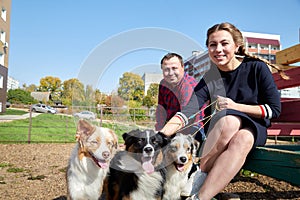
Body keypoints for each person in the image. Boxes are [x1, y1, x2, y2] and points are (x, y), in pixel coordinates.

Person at [160, 22, 287, 200]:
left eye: (224, 43)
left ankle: (198, 195)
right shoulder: (211, 76)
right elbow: (188, 111)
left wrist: (235, 106)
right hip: (221, 129)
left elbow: (274, 109)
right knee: (233, 127)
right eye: (213, 45)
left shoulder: (256, 67)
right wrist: (160, 135)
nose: (218, 49)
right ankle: (200, 184)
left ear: (237, 45)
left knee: (239, 132)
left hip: (254, 126)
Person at [155, 52, 205, 143]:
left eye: (174, 68)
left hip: (193, 127)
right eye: (166, 69)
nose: (170, 73)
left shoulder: (188, 84)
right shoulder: (163, 84)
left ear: (182, 68)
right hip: (172, 126)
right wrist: (158, 130)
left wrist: (163, 135)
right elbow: (160, 110)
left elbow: (186, 117)